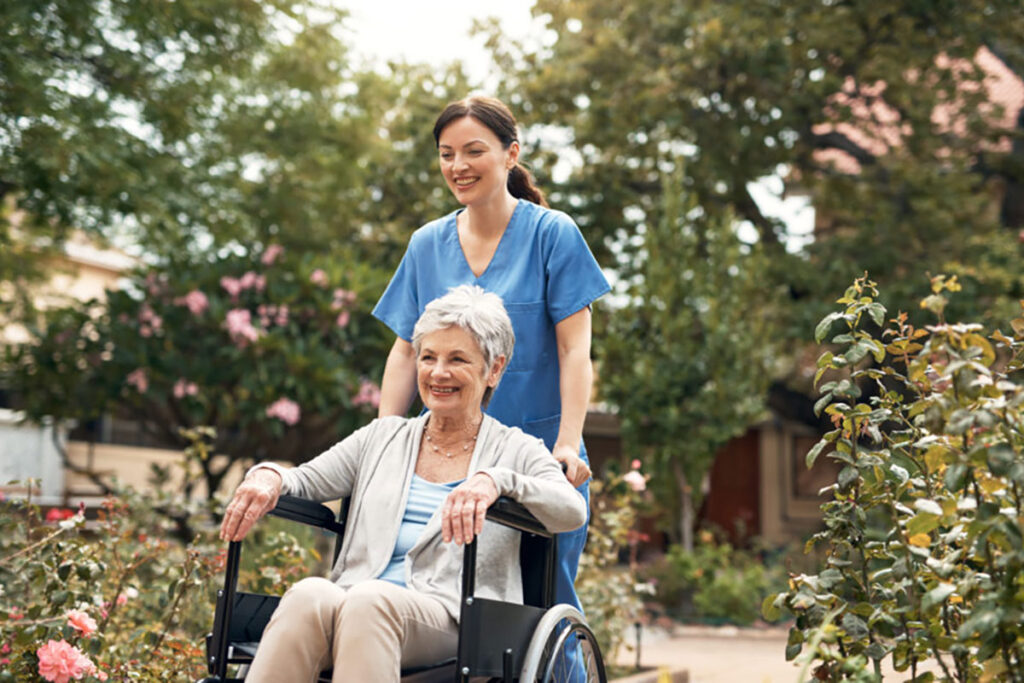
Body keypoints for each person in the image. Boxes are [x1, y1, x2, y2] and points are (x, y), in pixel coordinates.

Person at [219, 285, 587, 683]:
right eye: (428, 357)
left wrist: (497, 481)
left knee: (368, 601)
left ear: (493, 369)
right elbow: (303, 478)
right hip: (357, 600)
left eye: (457, 359)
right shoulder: (382, 438)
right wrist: (268, 476)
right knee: (310, 593)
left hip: (455, 619)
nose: (438, 372)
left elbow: (571, 510)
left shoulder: (515, 449)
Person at [372, 95, 610, 613]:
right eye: (445, 154)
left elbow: (574, 351)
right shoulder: (426, 244)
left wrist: (568, 444)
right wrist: (382, 439)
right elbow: (405, 351)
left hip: (540, 461)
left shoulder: (553, 236)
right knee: (438, 609)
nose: (457, 166)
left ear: (510, 154)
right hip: (444, 463)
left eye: (473, 151)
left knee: (543, 607)